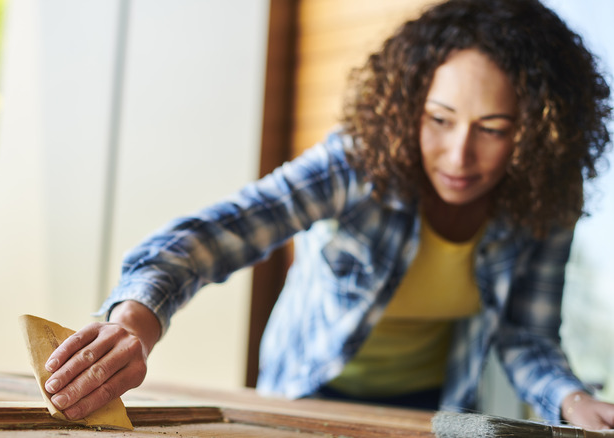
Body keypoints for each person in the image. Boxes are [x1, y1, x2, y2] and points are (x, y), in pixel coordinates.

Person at [40, 0, 614, 430]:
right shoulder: (359, 162)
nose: (460, 155)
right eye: (439, 120)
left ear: (537, 136)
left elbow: (526, 335)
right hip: (304, 397)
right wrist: (133, 323)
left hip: (432, 409)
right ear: (409, 104)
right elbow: (214, 236)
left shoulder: (544, 199)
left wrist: (572, 399)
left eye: (493, 130)